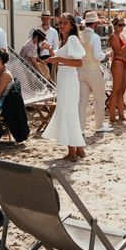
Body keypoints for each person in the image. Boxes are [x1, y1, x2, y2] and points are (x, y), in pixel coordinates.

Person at [41, 12, 87, 162]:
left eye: (65, 22)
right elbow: (62, 61)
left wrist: (59, 58)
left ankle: (72, 152)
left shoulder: (73, 39)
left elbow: (79, 63)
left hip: (69, 80)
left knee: (68, 112)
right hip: (64, 79)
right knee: (68, 112)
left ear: (72, 25)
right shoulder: (65, 40)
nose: (61, 25)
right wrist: (50, 52)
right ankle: (79, 149)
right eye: (60, 22)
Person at [78, 11, 113, 134]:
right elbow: (98, 56)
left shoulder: (80, 35)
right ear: (95, 24)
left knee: (83, 100)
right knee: (100, 98)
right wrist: (107, 54)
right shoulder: (95, 37)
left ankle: (81, 128)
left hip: (81, 70)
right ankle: (98, 125)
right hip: (93, 70)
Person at [108, 17, 126, 122]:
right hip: (118, 63)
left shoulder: (121, 36)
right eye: (120, 25)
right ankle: (112, 116)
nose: (122, 27)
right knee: (115, 90)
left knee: (122, 91)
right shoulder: (113, 36)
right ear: (114, 25)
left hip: (124, 62)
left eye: (123, 25)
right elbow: (119, 51)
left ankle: (121, 115)